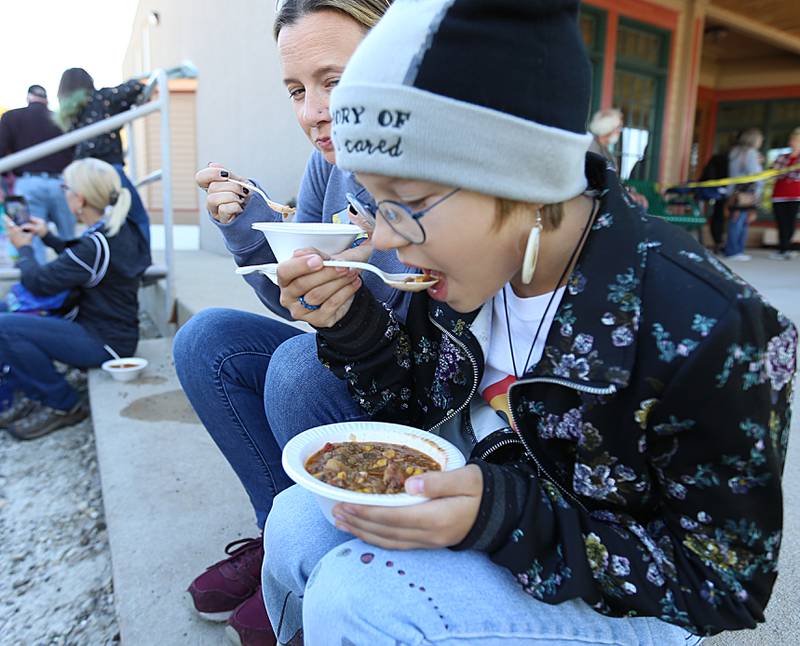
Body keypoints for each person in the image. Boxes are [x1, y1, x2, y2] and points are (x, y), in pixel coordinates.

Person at [264, 1, 796, 643]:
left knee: (360, 597)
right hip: (501, 509)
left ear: (523, 178)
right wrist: (348, 319)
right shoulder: (481, 266)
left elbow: (726, 586)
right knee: (296, 521)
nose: (381, 237)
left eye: (403, 204)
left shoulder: (708, 323)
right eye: (376, 204)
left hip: (630, 602)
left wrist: (510, 516)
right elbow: (413, 405)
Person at [172, 1, 400, 643]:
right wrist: (247, 233)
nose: (312, 113)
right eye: (297, 90)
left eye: (335, 81)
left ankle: (333, 574)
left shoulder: (436, 163)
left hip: (423, 390)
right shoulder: (329, 163)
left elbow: (444, 333)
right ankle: (281, 540)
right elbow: (296, 305)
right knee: (206, 340)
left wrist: (371, 261)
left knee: (299, 367)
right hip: (357, 356)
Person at [0, 158, 150, 440]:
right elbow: (80, 258)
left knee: (4, 326)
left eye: (65, 187)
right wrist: (47, 236)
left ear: (78, 198)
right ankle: (32, 392)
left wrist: (24, 251)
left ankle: (63, 404)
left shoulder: (96, 244)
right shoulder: (120, 229)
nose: (63, 192)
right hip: (114, 333)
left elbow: (39, 283)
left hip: (104, 342)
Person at [56, 68, 151, 244]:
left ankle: (96, 256)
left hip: (82, 172)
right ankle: (142, 260)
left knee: (92, 219)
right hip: (107, 167)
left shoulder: (68, 113)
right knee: (137, 217)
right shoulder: (101, 98)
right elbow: (134, 87)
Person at [0, 85, 76, 261]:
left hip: (28, 183)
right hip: (62, 183)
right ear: (46, 100)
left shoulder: (12, 117)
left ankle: (37, 285)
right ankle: (74, 282)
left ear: (28, 98)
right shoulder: (62, 119)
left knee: (30, 238)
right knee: (68, 238)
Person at [724, 128, 764, 261]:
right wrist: (759, 164)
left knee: (735, 220)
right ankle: (735, 251)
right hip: (746, 192)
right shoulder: (751, 153)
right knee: (741, 221)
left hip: (733, 190)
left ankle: (733, 249)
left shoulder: (734, 151)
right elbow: (754, 174)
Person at [770, 127, 800, 260]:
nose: (792, 142)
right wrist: (783, 172)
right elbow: (773, 173)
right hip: (778, 195)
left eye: (795, 140)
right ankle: (782, 249)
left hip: (795, 195)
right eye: (791, 139)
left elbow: (795, 175)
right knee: (780, 222)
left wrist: (783, 172)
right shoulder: (782, 157)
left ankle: (786, 248)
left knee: (790, 222)